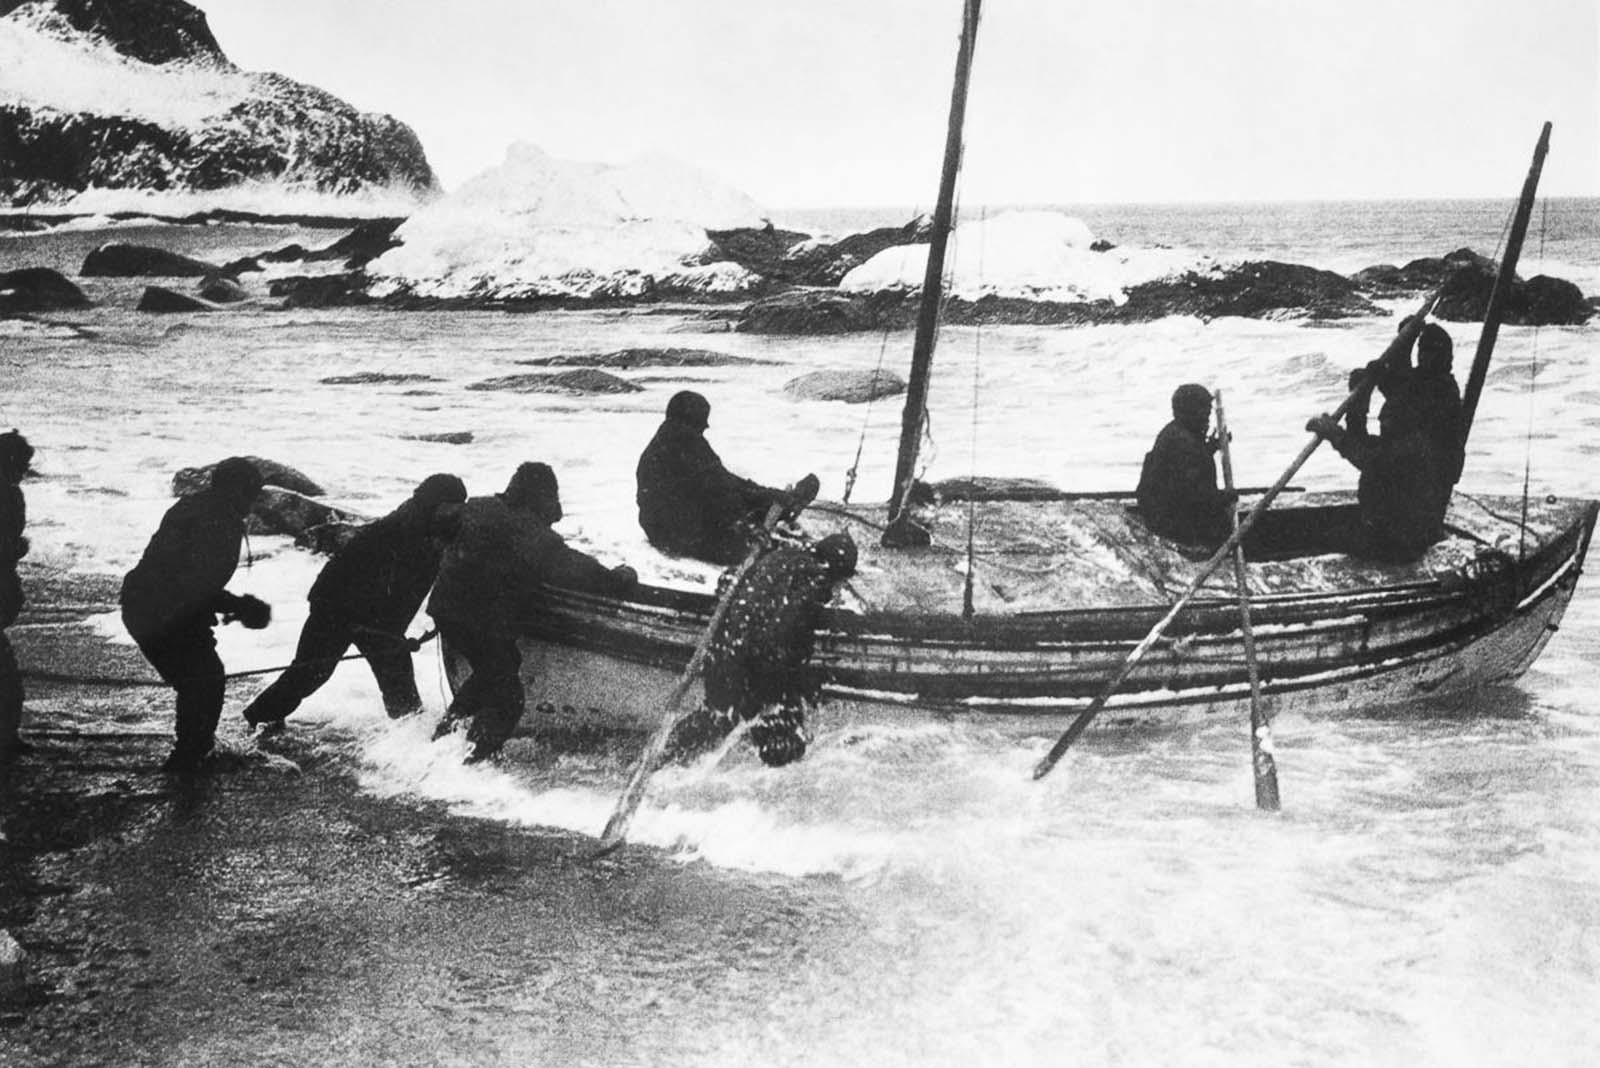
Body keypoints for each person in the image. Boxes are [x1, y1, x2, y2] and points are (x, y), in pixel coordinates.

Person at [428, 462, 637, 763]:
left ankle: (443, 737)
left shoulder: (476, 507)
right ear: (544, 498)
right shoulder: (537, 537)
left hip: (445, 608)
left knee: (495, 670)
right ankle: (470, 763)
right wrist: (621, 576)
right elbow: (582, 571)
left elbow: (441, 522)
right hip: (481, 621)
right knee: (509, 699)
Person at [242, 473, 467, 731]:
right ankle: (258, 719)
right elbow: (375, 584)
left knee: (399, 684)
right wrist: (377, 630)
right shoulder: (399, 531)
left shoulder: (437, 526)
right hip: (337, 608)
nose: (459, 512)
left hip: (379, 620)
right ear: (434, 504)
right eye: (454, 506)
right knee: (309, 673)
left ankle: (411, 741)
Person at [120, 457, 272, 772]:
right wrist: (239, 606)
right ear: (233, 489)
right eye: (250, 493)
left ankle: (194, 749)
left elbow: (191, 583)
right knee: (204, 679)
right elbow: (190, 582)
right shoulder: (215, 518)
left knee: (202, 678)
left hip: (154, 605)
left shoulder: (201, 508)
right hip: (157, 610)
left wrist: (233, 605)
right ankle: (188, 759)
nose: (252, 503)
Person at [665, 532, 858, 768]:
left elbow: (728, 581)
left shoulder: (776, 556)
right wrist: (796, 683)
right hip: (754, 663)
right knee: (783, 737)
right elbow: (785, 636)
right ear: (835, 571)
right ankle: (769, 782)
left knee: (717, 713)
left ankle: (664, 756)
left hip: (723, 650)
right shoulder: (812, 581)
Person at [636, 390, 819, 565]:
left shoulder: (671, 441)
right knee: (764, 544)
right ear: (692, 420)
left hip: (664, 529)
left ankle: (782, 508)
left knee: (753, 504)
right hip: (681, 535)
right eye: (703, 419)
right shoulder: (684, 444)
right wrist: (750, 521)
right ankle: (786, 510)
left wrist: (765, 494)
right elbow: (721, 491)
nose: (706, 426)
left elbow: (721, 480)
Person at [1307, 374, 1451, 563]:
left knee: (1329, 538)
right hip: (1391, 529)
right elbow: (1361, 440)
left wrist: (1335, 434)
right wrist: (1359, 402)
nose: (1383, 423)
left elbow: (1368, 459)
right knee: (1331, 534)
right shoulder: (1397, 442)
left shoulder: (1410, 448)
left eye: (1389, 419)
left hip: (1402, 538)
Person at [1135, 383, 1235, 546]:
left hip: (1162, 514)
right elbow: (1192, 495)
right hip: (1172, 522)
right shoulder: (1183, 442)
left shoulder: (1174, 432)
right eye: (1205, 413)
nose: (1207, 420)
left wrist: (1211, 447)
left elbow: (1188, 467)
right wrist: (1224, 497)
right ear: (1191, 413)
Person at [1369, 320, 1464, 484]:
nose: (1424, 355)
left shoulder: (1441, 388)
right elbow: (1399, 380)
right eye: (1423, 349)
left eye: (1431, 350)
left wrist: (1405, 341)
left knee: (1366, 452)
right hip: (1411, 463)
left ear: (1446, 356)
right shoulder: (1425, 379)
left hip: (1418, 472)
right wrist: (1406, 337)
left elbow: (1400, 390)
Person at [1, 430, 34, 761]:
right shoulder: (10, 496)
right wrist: (17, 548)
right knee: (7, 683)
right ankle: (6, 738)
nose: (25, 471)